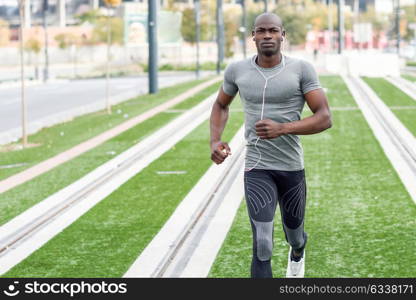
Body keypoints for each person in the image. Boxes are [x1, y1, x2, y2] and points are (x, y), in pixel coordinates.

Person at [209, 12, 332, 278]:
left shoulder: (301, 69)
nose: (267, 36)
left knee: (294, 235)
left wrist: (283, 128)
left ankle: (298, 252)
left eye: (273, 31)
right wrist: (216, 140)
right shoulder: (237, 70)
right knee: (262, 243)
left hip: (290, 166)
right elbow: (221, 104)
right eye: (261, 31)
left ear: (283, 35)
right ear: (253, 36)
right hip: (257, 167)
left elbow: (324, 118)